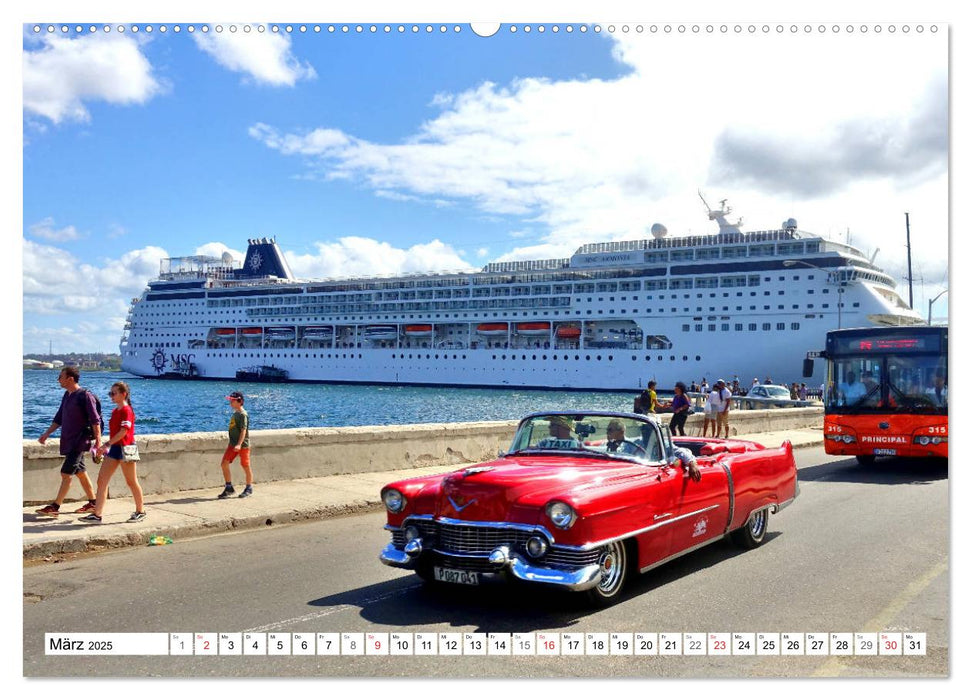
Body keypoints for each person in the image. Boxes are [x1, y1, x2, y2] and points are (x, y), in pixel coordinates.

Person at [35, 367, 101, 516]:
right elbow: (59, 418)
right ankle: (93, 502)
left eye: (61, 376)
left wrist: (98, 441)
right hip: (68, 441)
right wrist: (46, 434)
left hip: (79, 442)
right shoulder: (67, 395)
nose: (58, 379)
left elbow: (95, 420)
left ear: (70, 378)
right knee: (81, 472)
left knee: (66, 474)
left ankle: (55, 507)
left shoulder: (85, 396)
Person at [80, 381, 145, 523]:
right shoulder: (116, 411)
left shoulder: (127, 411)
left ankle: (140, 511)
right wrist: (107, 446)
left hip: (126, 448)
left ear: (124, 394)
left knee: (131, 481)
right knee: (102, 480)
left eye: (114, 393)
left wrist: (106, 445)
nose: (111, 396)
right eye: (110, 393)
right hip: (115, 449)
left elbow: (124, 431)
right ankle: (97, 514)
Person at [217, 391, 253, 499]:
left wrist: (239, 444)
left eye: (233, 401)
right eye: (230, 400)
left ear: (240, 401)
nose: (231, 403)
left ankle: (249, 487)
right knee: (224, 463)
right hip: (232, 444)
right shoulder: (235, 413)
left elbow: (243, 430)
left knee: (245, 466)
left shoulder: (243, 415)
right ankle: (229, 487)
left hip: (242, 445)